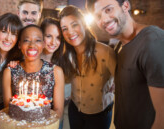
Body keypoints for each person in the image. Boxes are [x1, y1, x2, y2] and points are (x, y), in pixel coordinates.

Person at [86, 0, 164, 129]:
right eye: (98, 16)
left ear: (125, 6)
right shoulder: (118, 47)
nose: (104, 19)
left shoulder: (153, 41)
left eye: (108, 10)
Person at [59, 5, 116, 129]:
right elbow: (66, 79)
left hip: (99, 114)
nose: (70, 32)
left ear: (84, 24)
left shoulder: (105, 52)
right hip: (74, 110)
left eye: (74, 25)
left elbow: (124, 83)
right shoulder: (66, 55)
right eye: (65, 29)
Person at [2, 25, 65, 118]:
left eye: (38, 40)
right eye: (26, 40)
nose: (32, 45)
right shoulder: (9, 72)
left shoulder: (56, 71)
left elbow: (58, 111)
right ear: (19, 44)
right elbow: (9, 110)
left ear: (43, 44)